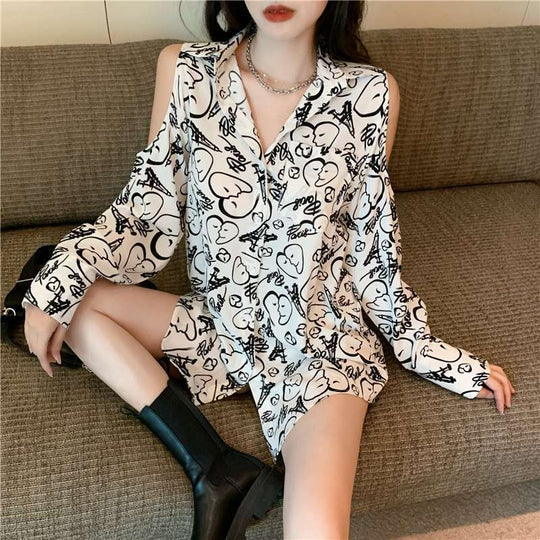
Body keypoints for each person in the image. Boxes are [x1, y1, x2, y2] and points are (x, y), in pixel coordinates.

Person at [22, 1, 515, 538]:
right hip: (219, 321)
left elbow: (373, 254)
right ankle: (213, 466)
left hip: (321, 346)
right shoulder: (185, 71)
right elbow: (145, 214)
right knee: (73, 304)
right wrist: (55, 284)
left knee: (317, 529)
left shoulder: (372, 95)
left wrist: (430, 354)